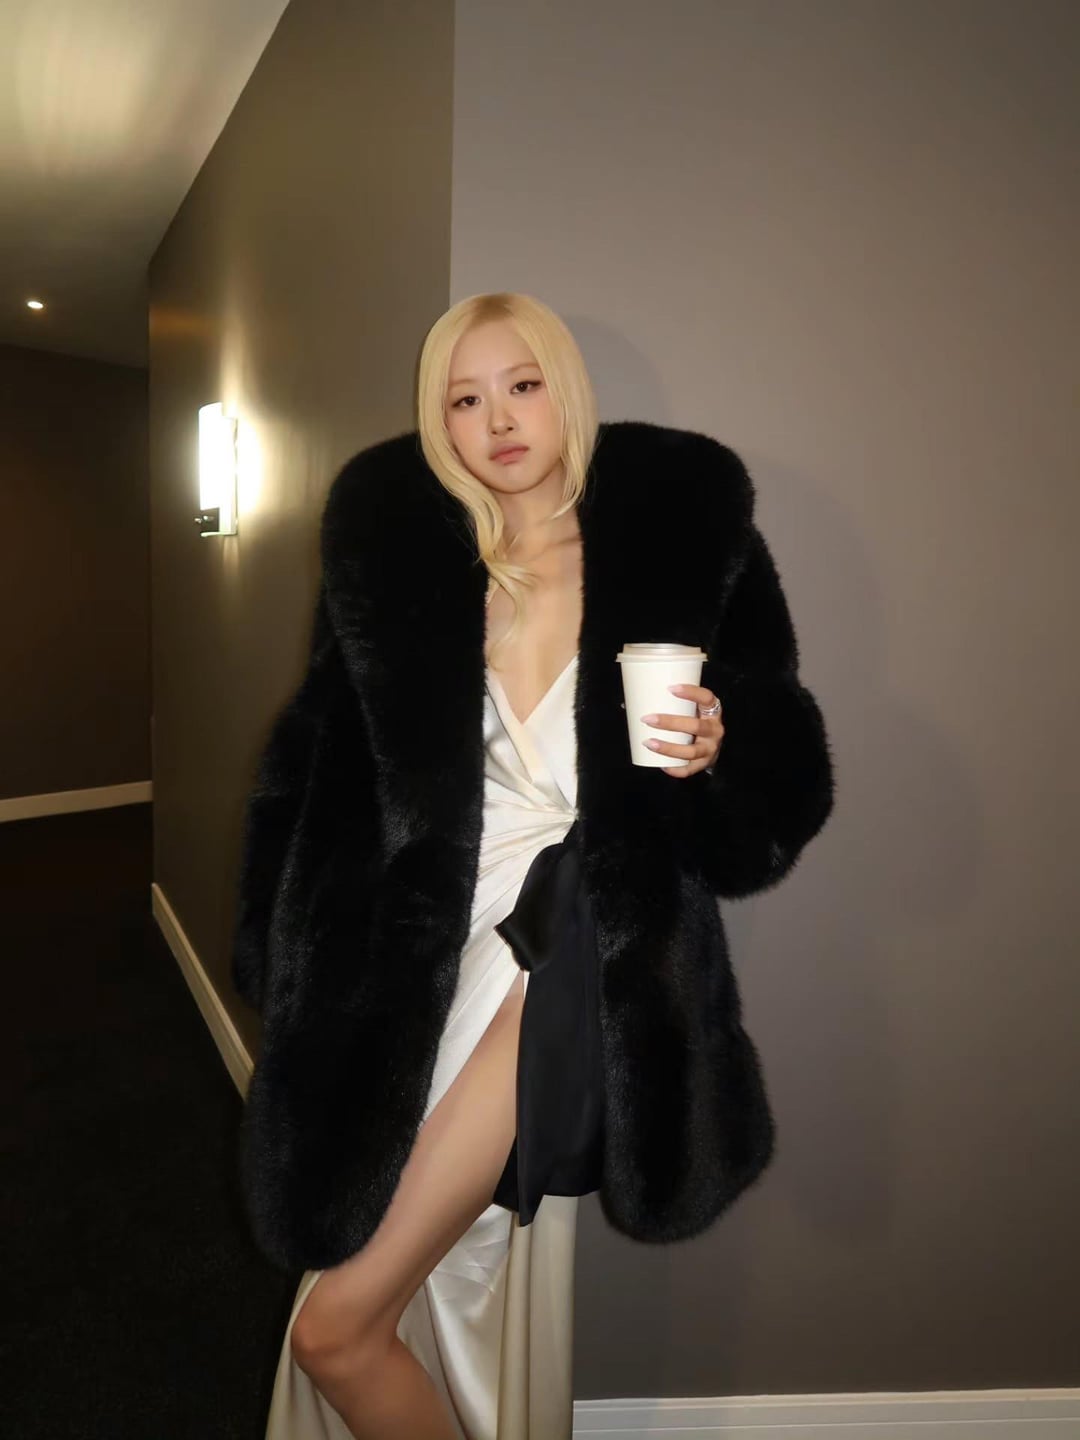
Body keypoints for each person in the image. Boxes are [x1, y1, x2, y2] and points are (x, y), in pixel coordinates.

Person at [233, 291, 835, 1439]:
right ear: (439, 422)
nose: (499, 420)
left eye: (522, 385)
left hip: (565, 949)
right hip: (424, 951)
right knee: (438, 1273)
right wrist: (289, 950)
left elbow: (781, 776)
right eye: (465, 400)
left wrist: (724, 748)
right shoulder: (406, 570)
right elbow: (313, 775)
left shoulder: (682, 549)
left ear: (567, 391)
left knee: (337, 1327)